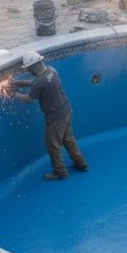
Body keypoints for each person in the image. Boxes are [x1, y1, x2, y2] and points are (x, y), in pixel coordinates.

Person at [11, 50, 88, 181]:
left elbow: (29, 98)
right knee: (68, 139)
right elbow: (38, 83)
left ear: (33, 66)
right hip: (66, 110)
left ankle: (60, 172)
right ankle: (82, 164)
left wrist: (13, 94)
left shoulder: (39, 82)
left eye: (28, 68)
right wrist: (19, 83)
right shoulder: (52, 71)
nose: (28, 71)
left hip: (55, 119)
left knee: (53, 146)